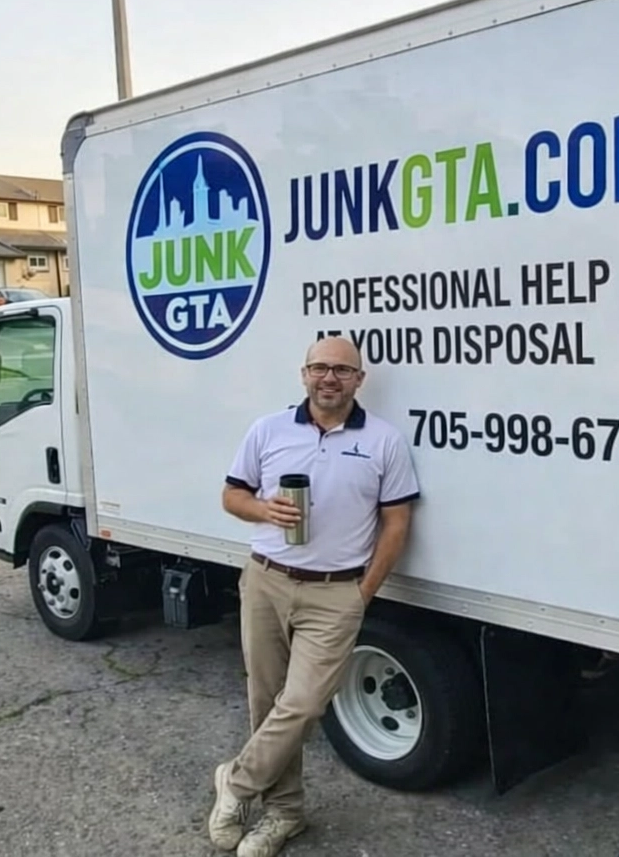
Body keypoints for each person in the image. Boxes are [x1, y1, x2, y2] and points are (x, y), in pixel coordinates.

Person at [207, 336, 419, 856]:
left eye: (343, 371)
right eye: (320, 368)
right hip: (265, 580)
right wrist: (265, 511)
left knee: (302, 706)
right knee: (266, 702)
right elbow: (231, 495)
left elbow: (396, 525)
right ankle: (284, 814)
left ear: (359, 381)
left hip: (337, 592)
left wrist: (363, 592)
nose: (330, 378)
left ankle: (235, 782)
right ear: (303, 374)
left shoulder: (383, 441)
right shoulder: (268, 430)